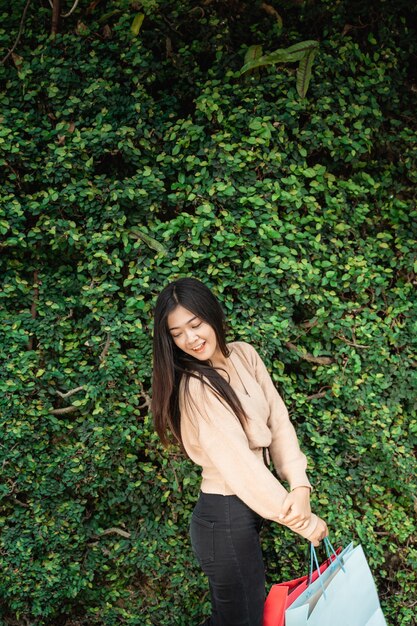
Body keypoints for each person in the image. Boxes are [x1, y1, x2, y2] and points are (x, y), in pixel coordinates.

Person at [151, 277, 328, 626]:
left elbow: (278, 421)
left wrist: (300, 484)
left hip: (244, 514)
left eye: (195, 324)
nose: (191, 338)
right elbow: (241, 468)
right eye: (177, 333)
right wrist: (303, 521)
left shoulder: (244, 354)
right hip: (224, 518)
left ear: (211, 315)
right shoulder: (198, 388)